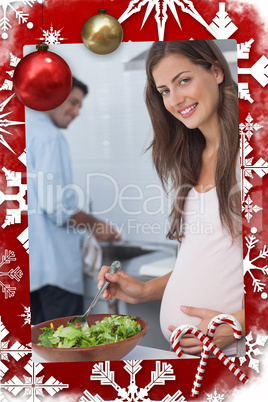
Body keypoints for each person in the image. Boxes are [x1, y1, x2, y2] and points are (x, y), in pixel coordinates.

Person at [98, 40, 244, 356]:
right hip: (196, 361)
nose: (175, 100)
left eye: (183, 80)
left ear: (216, 71)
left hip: (244, 360)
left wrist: (239, 323)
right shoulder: (194, 159)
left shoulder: (253, 155)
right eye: (164, 90)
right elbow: (206, 262)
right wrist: (144, 290)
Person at [26, 77, 120, 325]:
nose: (76, 112)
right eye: (73, 103)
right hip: (53, 272)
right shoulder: (49, 136)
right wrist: (96, 225)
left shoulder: (17, 130)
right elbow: (58, 207)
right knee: (67, 351)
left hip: (27, 271)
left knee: (38, 351)